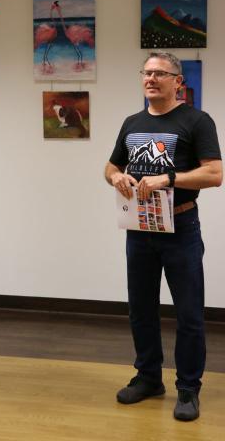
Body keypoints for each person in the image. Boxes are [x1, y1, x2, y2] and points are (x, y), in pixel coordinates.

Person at [105, 51, 222, 421]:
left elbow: (214, 174)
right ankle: (148, 377)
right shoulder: (132, 123)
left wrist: (168, 178)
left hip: (181, 229)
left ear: (178, 82)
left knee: (188, 312)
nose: (151, 79)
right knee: (141, 308)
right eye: (146, 72)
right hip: (139, 228)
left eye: (160, 73)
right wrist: (116, 176)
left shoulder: (197, 121)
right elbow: (110, 165)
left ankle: (188, 388)